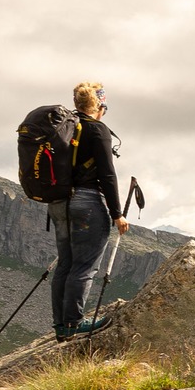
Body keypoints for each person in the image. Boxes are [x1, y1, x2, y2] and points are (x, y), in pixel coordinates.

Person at [50, 81, 129, 339]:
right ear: (100, 106)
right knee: (84, 267)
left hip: (59, 203)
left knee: (66, 264)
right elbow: (107, 174)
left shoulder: (63, 127)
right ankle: (74, 321)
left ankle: (61, 326)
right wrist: (117, 213)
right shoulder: (97, 130)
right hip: (86, 203)